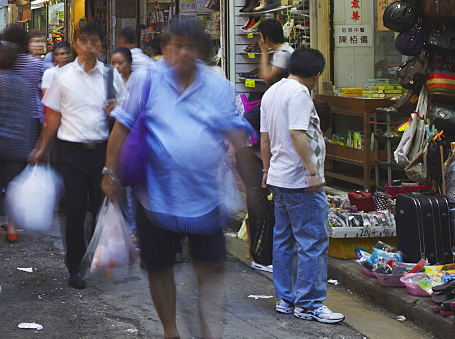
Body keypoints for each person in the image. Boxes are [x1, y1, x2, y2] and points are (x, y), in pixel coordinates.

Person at [103, 18, 250, 338]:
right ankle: (171, 330)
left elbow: (234, 131)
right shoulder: (146, 79)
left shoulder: (217, 85)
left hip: (205, 196)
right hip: (155, 196)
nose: (182, 53)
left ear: (201, 52)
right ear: (164, 49)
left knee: (210, 268)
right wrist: (109, 172)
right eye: (175, 46)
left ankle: (208, 329)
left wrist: (243, 154)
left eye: (190, 47)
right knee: (159, 267)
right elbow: (122, 126)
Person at [32, 23, 123, 289]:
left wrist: (115, 110)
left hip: (101, 151)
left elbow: (125, 117)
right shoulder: (62, 76)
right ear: (76, 44)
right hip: (70, 151)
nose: (88, 47)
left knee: (98, 207)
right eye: (83, 41)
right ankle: (75, 266)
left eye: (94, 41)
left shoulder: (110, 76)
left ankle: (93, 252)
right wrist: (42, 148)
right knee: (73, 210)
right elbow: (54, 116)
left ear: (101, 45)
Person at [261, 49, 343, 324]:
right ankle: (308, 303)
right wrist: (311, 172)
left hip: (279, 177)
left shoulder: (272, 92)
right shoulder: (298, 94)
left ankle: (286, 298)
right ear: (316, 74)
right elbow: (297, 133)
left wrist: (266, 168)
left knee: (284, 239)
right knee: (312, 241)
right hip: (299, 180)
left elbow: (265, 137)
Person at [0, 43, 41, 243]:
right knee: (13, 185)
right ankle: (13, 227)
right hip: (20, 143)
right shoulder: (25, 85)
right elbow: (33, 114)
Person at [3, 25, 45, 122]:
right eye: (36, 41)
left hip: (10, 113)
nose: (39, 45)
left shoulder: (4, 63)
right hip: (33, 112)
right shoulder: (37, 64)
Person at [257, 18, 294, 84]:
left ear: (267, 38)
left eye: (261, 37)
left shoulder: (282, 54)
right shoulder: (284, 50)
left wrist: (264, 53)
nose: (261, 41)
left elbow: (267, 77)